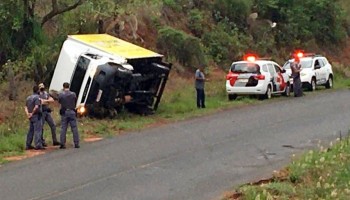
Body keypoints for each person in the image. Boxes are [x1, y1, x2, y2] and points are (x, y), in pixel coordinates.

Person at [58, 82, 80, 149]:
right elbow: (75, 100)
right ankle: (76, 143)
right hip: (72, 111)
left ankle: (62, 143)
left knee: (63, 128)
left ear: (63, 87)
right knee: (74, 128)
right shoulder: (73, 94)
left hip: (65, 112)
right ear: (69, 86)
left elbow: (59, 101)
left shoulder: (61, 94)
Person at [24, 85, 45, 150]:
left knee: (31, 131)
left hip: (30, 117)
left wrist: (28, 114)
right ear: (38, 90)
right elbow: (36, 106)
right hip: (36, 116)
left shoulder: (28, 98)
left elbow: (25, 107)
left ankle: (28, 144)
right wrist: (32, 113)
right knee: (38, 130)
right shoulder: (37, 98)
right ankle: (38, 144)